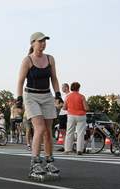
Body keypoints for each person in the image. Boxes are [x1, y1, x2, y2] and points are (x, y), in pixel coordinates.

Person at [16, 32, 62, 181]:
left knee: (48, 131)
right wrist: (19, 99)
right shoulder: (27, 60)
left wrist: (58, 94)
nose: (43, 44)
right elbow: (20, 81)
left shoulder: (50, 59)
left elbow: (54, 78)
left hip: (47, 96)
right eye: (40, 41)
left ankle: (49, 162)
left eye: (44, 41)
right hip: (31, 96)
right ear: (32, 43)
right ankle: (35, 163)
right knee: (40, 128)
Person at [63, 82, 88, 155]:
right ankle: (79, 150)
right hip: (81, 116)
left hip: (71, 116)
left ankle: (67, 149)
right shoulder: (82, 96)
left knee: (69, 132)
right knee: (80, 133)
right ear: (78, 88)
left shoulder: (68, 96)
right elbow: (86, 108)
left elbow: (64, 107)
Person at [56, 83, 70, 152]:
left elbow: (65, 106)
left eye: (63, 87)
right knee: (62, 131)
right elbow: (59, 105)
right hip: (61, 114)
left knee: (67, 131)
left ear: (66, 88)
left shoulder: (69, 95)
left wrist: (61, 105)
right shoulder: (62, 96)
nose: (62, 89)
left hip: (67, 114)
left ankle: (68, 147)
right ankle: (64, 146)